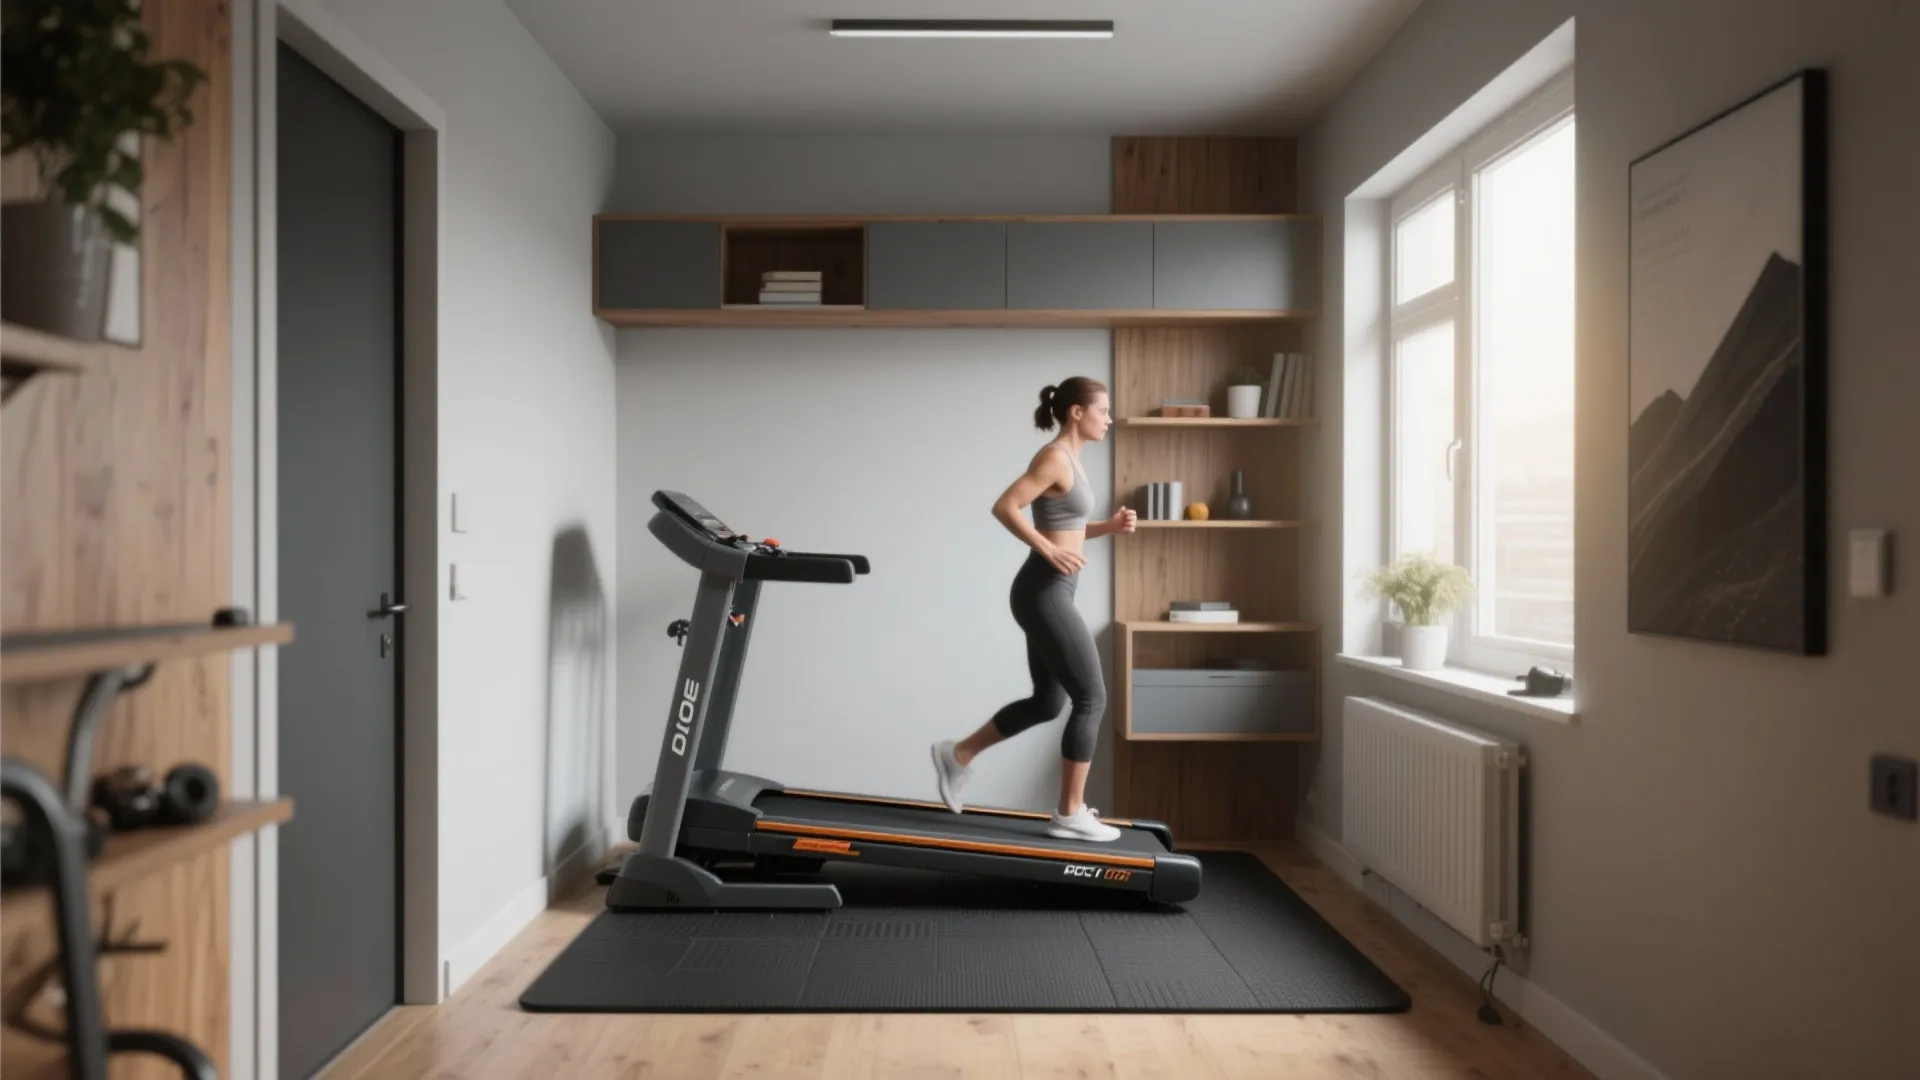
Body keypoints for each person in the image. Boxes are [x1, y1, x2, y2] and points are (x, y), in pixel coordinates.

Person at [930, 376, 1136, 841]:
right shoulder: (1054, 458)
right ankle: (1069, 812)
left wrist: (1108, 526)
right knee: (1092, 698)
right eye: (1103, 410)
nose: (1109, 418)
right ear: (1076, 413)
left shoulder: (1074, 462)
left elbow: (1068, 527)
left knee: (1049, 702)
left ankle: (957, 755)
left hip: (1049, 593)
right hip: (1045, 592)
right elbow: (1006, 506)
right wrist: (1046, 550)